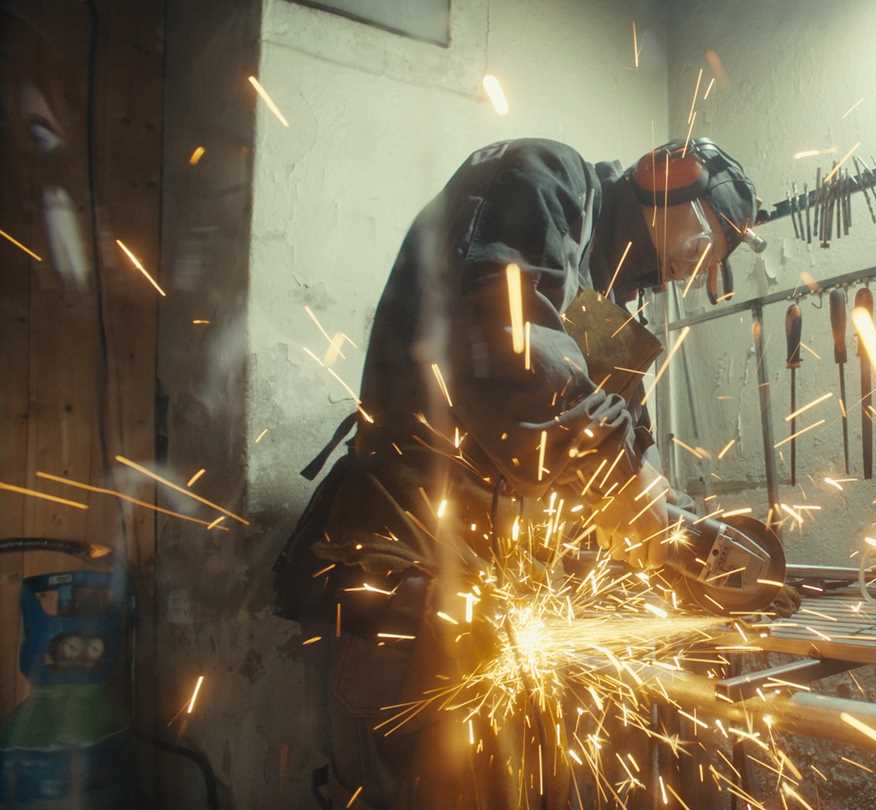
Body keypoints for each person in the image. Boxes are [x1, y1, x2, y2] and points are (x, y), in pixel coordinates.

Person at [273, 137, 766, 808]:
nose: (702, 270)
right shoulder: (544, 179)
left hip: (501, 591)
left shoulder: (602, 290)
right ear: (666, 180)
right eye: (710, 239)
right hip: (416, 581)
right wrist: (633, 499)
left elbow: (625, 448)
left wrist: (689, 535)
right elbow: (514, 363)